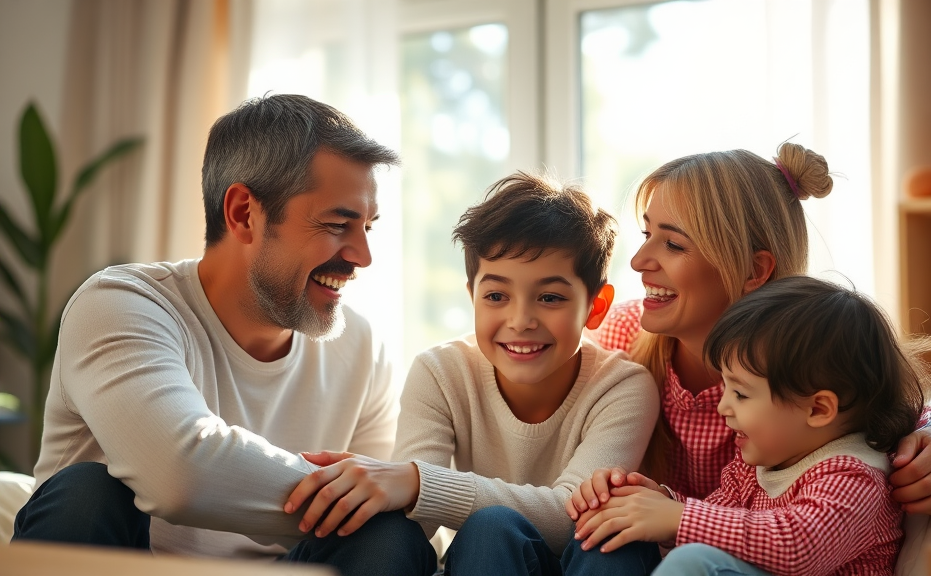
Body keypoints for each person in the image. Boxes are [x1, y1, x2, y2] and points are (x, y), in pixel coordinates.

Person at [12, 94, 437, 575]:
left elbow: (373, 509)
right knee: (86, 492)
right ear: (242, 213)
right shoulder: (119, 303)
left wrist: (381, 495)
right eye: (338, 224)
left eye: (368, 227)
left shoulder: (361, 348)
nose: (362, 256)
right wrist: (348, 493)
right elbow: (179, 473)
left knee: (386, 534)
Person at [562, 143, 931, 571]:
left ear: (755, 270)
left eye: (674, 244)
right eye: (647, 235)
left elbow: (890, 402)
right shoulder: (626, 333)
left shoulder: (809, 367)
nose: (640, 261)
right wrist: (650, 499)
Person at [283, 171, 661, 575]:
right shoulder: (441, 371)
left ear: (596, 307)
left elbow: (571, 515)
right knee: (430, 531)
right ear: (473, 297)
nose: (520, 320)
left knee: (543, 531)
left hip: (576, 562)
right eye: (496, 296)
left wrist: (416, 482)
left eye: (550, 297)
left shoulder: (623, 387)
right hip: (487, 558)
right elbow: (416, 520)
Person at [574, 275, 931, 575]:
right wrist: (655, 502)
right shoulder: (755, 468)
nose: (723, 406)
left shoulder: (854, 476)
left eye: (741, 394)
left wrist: (678, 517)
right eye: (725, 386)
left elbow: (798, 546)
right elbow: (718, 522)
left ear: (819, 408)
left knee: (695, 565)